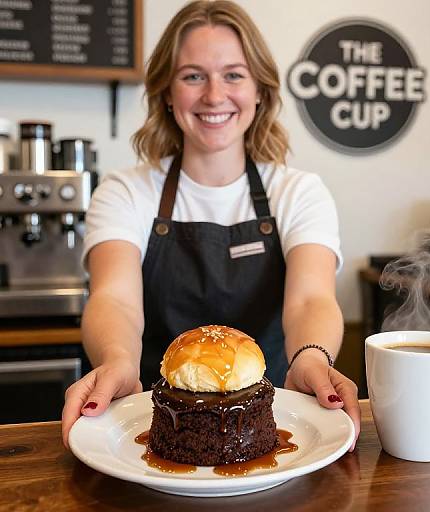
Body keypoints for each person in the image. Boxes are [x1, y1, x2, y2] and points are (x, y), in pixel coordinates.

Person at [61, 0, 360, 449]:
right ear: (166, 91)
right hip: (150, 419)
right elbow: (115, 299)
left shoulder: (299, 191)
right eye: (193, 75)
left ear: (260, 90)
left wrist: (311, 356)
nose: (214, 95)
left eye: (234, 74)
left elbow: (311, 299)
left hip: (276, 416)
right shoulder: (126, 191)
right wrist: (118, 358)